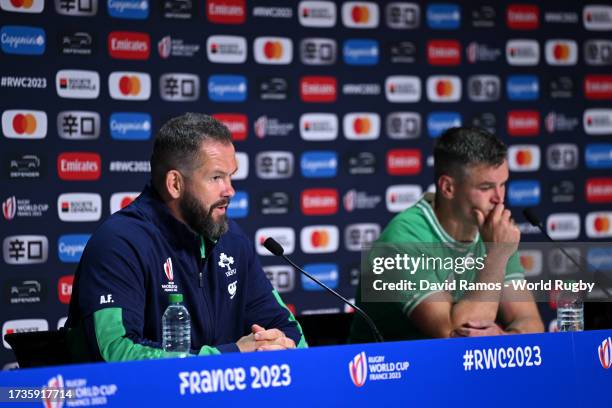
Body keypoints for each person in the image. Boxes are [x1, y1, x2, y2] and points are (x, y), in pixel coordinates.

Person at [66, 113, 307, 362]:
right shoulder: (119, 244)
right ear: (175, 184)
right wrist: (230, 357)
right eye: (216, 177)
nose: (230, 190)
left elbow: (288, 330)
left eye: (230, 176)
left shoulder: (232, 240)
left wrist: (281, 348)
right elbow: (116, 352)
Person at [349, 127, 544, 342]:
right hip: (392, 371)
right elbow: (452, 336)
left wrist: (505, 337)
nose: (499, 198)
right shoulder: (403, 240)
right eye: (486, 187)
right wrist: (496, 255)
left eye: (503, 184)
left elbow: (529, 321)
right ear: (448, 187)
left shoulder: (493, 232)